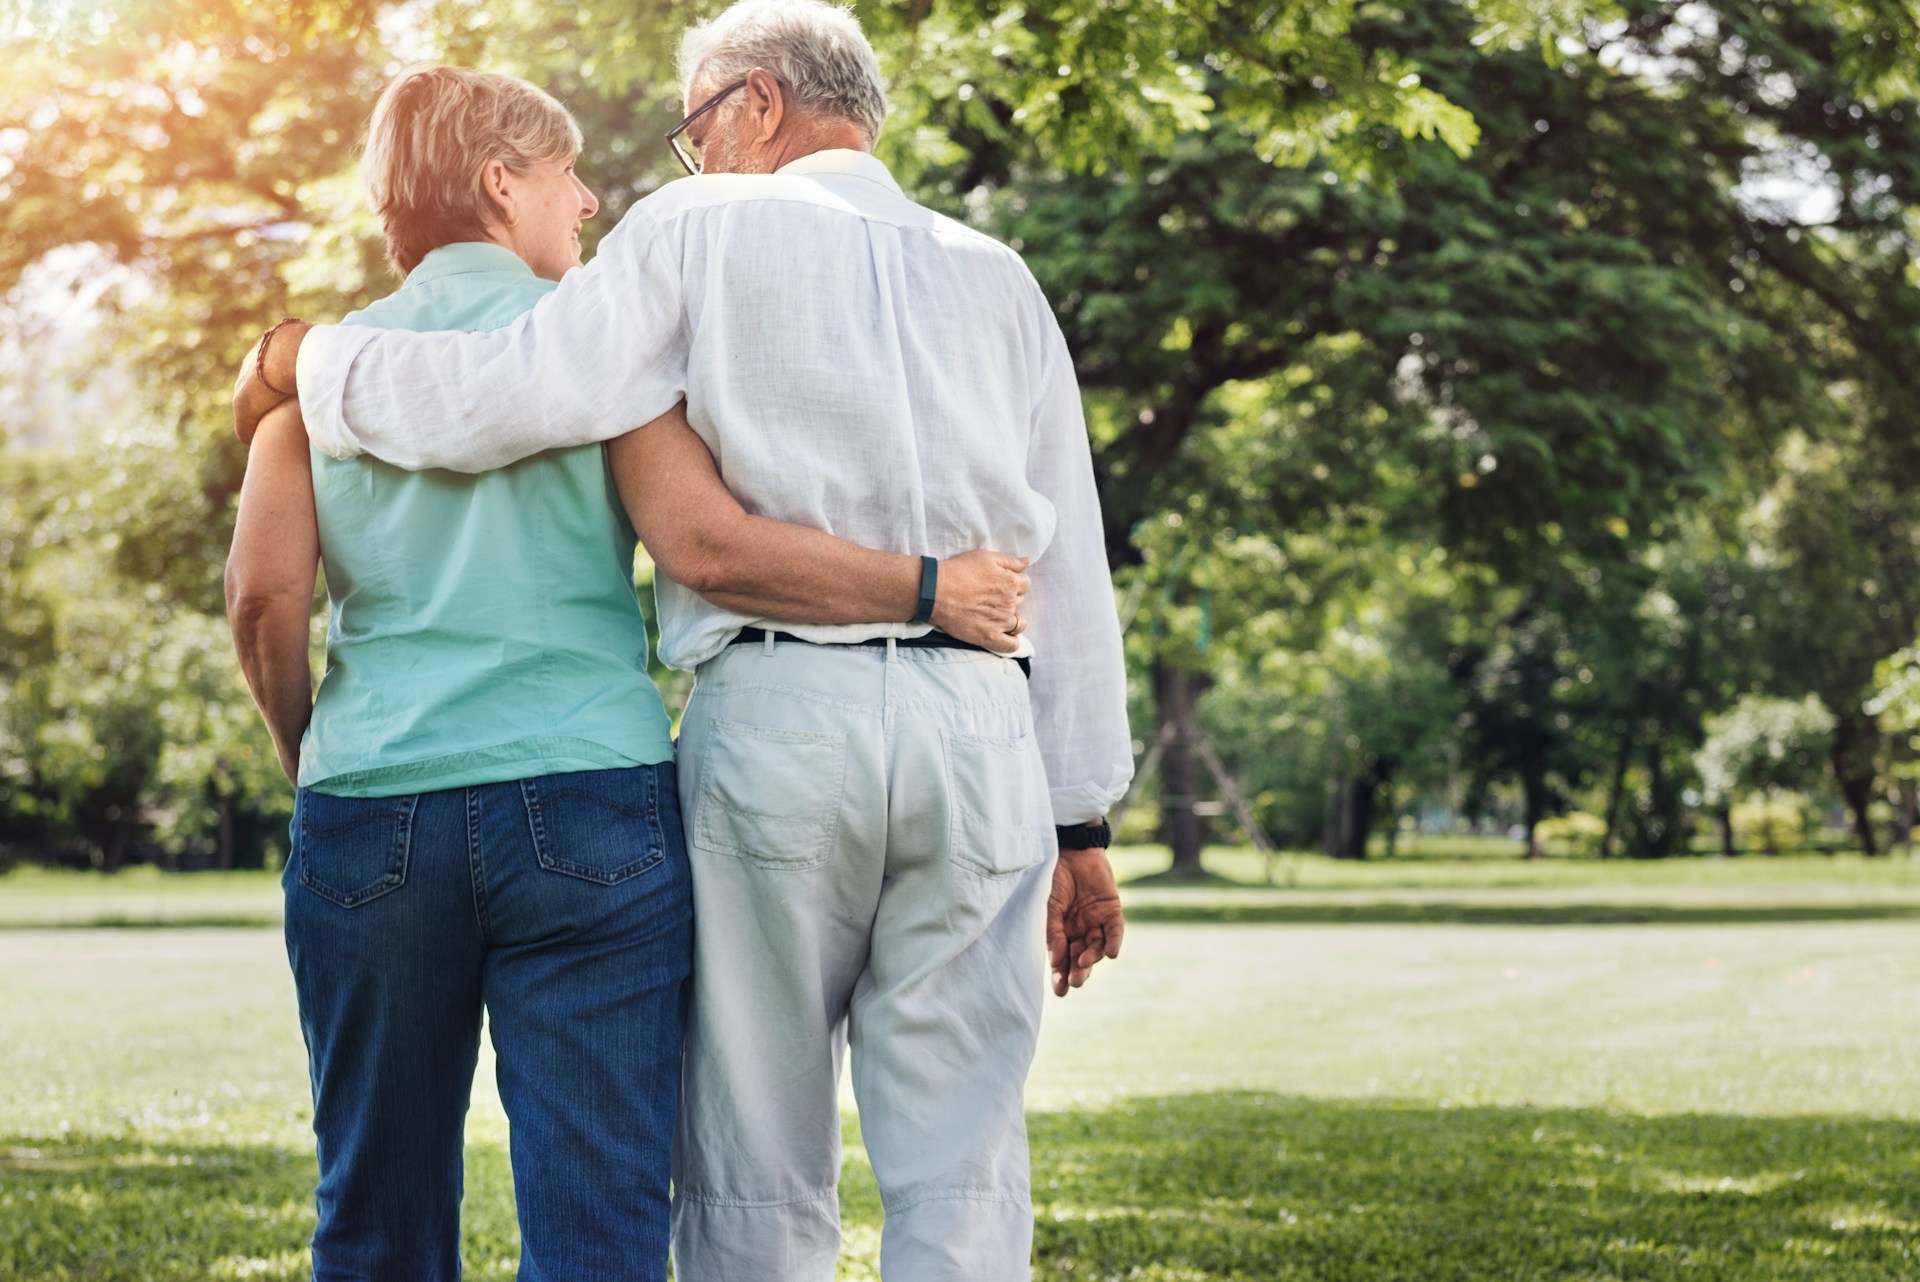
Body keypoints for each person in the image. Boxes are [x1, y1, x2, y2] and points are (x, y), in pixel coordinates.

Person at [232, 2, 1134, 1276]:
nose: (678, 164)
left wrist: (302, 358)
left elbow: (502, 393)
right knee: (969, 1158)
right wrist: (1081, 822)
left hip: (782, 718)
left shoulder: (696, 231)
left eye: (695, 126)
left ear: (756, 103)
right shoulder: (997, 270)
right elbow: (1070, 563)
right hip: (981, 727)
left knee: (755, 1164)